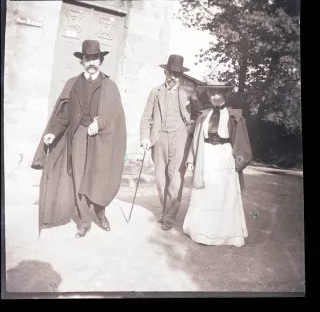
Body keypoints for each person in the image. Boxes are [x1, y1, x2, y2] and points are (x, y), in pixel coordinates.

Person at [31, 40, 127, 238]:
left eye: (94, 58)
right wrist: (53, 132)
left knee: (98, 177)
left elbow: (114, 115)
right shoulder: (72, 84)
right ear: (82, 61)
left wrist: (98, 122)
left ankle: (100, 212)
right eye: (87, 58)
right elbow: (63, 115)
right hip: (78, 138)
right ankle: (84, 220)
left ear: (100, 61)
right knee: (78, 177)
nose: (91, 62)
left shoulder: (110, 86)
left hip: (102, 140)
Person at [182, 84, 252, 247]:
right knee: (206, 193)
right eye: (212, 93)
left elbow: (242, 142)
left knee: (222, 195)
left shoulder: (234, 116)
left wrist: (237, 163)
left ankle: (222, 234)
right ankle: (202, 233)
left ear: (225, 96)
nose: (214, 97)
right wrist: (192, 160)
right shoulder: (203, 116)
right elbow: (196, 140)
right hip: (206, 155)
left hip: (224, 157)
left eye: (218, 94)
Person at [140, 54, 201, 231]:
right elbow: (146, 117)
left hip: (180, 137)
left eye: (177, 74)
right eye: (171, 73)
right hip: (159, 138)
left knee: (175, 179)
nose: (173, 77)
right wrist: (145, 137)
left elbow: (198, 114)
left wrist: (191, 127)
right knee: (160, 179)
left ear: (181, 76)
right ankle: (166, 209)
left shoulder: (188, 93)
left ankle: (169, 217)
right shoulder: (155, 92)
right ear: (165, 72)